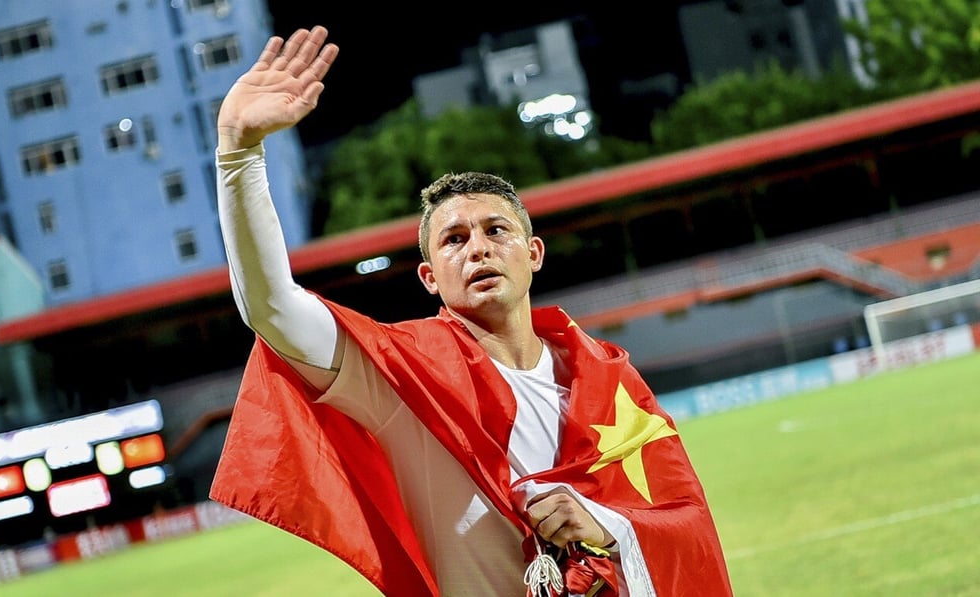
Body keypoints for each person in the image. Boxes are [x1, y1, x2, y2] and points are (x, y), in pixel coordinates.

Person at [210, 26, 732, 597]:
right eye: (454, 239)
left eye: (495, 230)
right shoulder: (402, 378)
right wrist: (239, 152)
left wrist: (608, 527)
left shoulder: (608, 378)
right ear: (430, 278)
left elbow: (683, 517)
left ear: (533, 254)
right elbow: (273, 309)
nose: (478, 247)